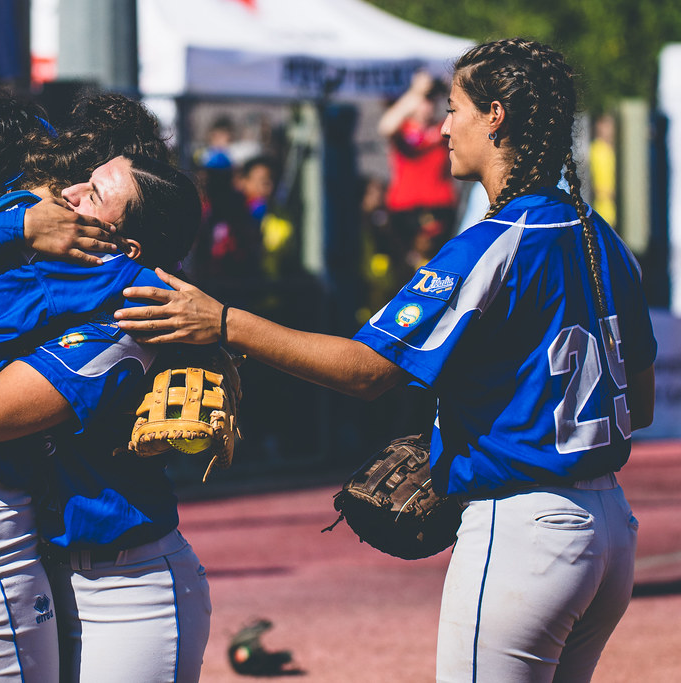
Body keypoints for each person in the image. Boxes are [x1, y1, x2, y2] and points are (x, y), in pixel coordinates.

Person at [115, 38, 656, 683]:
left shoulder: (492, 246)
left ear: (496, 117)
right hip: (611, 531)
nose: (443, 127)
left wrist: (226, 322)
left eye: (455, 109)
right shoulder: (603, 241)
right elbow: (640, 404)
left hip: (526, 533)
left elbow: (366, 371)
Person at [0, 93, 210, 681]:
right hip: (37, 562)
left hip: (128, 579)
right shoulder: (14, 237)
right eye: (71, 183)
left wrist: (222, 332)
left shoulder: (116, 282)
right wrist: (17, 225)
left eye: (90, 191)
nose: (67, 198)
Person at [378, 68, 459, 277]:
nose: (428, 105)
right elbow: (385, 126)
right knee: (405, 268)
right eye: (425, 100)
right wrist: (416, 92)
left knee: (437, 266)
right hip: (404, 210)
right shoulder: (402, 129)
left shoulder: (443, 128)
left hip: (439, 207)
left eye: (432, 100)